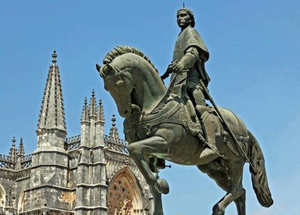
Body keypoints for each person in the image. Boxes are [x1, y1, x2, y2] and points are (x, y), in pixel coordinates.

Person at [163, 8, 219, 163]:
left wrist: (181, 64)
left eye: (183, 16)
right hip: (177, 82)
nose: (179, 18)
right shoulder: (179, 37)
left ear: (190, 18)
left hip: (192, 82)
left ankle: (212, 145)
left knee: (200, 108)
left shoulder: (191, 33)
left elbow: (193, 54)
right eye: (177, 16)